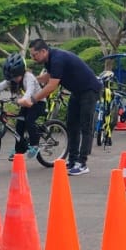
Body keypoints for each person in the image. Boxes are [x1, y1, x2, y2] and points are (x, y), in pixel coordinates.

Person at [29, 37, 103, 175]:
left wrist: (33, 100)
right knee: (71, 125)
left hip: (89, 90)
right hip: (77, 91)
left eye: (34, 55)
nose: (33, 58)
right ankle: (73, 159)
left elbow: (52, 85)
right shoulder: (50, 60)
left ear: (43, 51)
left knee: (85, 126)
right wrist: (31, 79)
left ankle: (82, 163)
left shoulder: (57, 58)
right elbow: (49, 76)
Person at [0, 52, 45, 155]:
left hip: (38, 103)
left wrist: (23, 99)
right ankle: (19, 149)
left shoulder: (29, 77)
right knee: (19, 125)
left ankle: (34, 145)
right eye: (11, 77)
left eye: (16, 77)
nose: (14, 79)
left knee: (29, 121)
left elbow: (29, 90)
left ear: (22, 71)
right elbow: (0, 85)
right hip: (26, 104)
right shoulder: (13, 79)